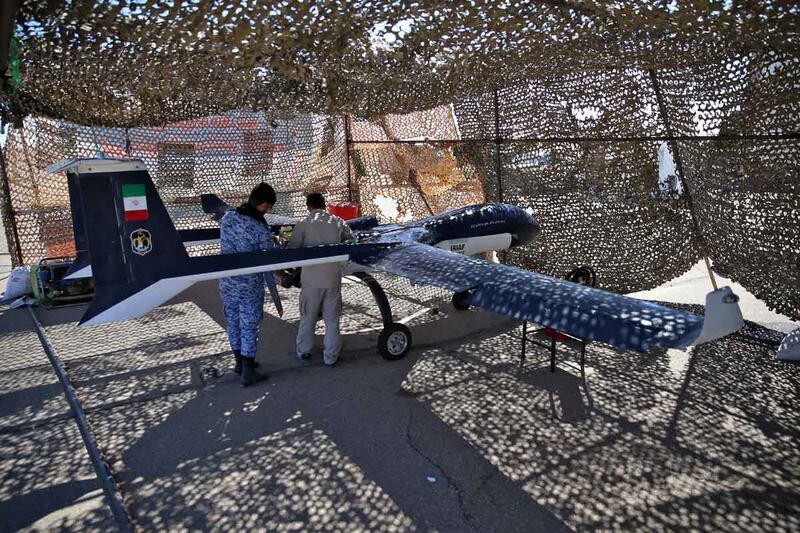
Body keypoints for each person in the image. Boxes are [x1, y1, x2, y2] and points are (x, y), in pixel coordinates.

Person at [218, 182, 281, 386]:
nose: (268, 210)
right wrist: (276, 243)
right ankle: (247, 369)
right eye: (269, 206)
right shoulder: (258, 226)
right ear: (262, 204)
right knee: (249, 324)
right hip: (249, 284)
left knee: (233, 321)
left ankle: (238, 362)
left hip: (227, 281)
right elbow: (268, 254)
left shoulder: (228, 217)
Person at [288, 193, 353, 366]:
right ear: (324, 205)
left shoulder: (303, 223)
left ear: (308, 206)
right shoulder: (338, 221)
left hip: (311, 281)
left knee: (308, 317)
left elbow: (292, 249)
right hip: (333, 279)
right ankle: (330, 356)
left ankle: (304, 350)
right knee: (332, 320)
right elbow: (351, 241)